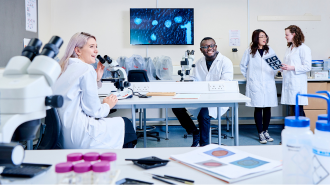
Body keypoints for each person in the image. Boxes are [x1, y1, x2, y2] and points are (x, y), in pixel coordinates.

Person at [52, 32, 137, 149]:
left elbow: (75, 93)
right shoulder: (86, 69)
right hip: (80, 136)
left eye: (96, 47)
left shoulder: (64, 68)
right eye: (91, 47)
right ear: (78, 51)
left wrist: (96, 79)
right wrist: (107, 105)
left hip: (62, 137)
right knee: (126, 124)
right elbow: (94, 111)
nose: (96, 51)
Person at [172, 37, 233, 147]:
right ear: (201, 50)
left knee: (204, 115)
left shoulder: (225, 62)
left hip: (217, 98)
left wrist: (206, 88)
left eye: (211, 45)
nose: (209, 48)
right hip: (201, 97)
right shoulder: (198, 62)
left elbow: (226, 82)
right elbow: (193, 79)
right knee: (176, 106)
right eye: (205, 47)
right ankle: (194, 132)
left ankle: (204, 145)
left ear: (215, 47)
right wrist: (184, 83)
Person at [240, 29, 277, 144]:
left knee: (267, 107)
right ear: (256, 38)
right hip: (255, 83)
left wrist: (272, 76)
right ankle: (260, 133)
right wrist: (251, 78)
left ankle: (266, 131)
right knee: (258, 107)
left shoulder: (269, 50)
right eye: (261, 36)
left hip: (268, 83)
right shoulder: (250, 51)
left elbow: (275, 66)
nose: (264, 38)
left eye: (265, 36)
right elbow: (242, 66)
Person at [280, 25, 311, 116]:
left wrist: (292, 67)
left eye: (287, 35)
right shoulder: (289, 48)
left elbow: (308, 67)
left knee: (298, 109)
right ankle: (296, 129)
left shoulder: (303, 48)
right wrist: (282, 67)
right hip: (289, 81)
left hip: (297, 83)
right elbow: (288, 63)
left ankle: (303, 129)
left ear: (294, 34)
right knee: (293, 108)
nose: (285, 37)